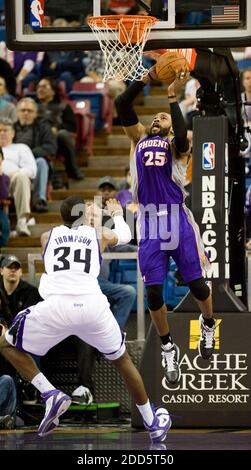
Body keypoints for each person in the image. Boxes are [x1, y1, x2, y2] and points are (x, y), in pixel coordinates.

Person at [0, 196, 171, 443]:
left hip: (56, 307)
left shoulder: (45, 237)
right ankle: (152, 421)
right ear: (82, 215)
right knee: (122, 360)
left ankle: (49, 393)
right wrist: (117, 215)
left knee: (6, 344)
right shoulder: (98, 235)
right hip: (92, 307)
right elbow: (124, 234)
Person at [115, 65, 216, 385]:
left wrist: (172, 96)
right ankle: (169, 347)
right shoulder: (138, 138)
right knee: (155, 292)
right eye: (155, 116)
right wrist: (144, 79)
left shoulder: (176, 147)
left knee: (197, 284)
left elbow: (185, 139)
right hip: (149, 220)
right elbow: (122, 105)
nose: (157, 118)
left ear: (172, 126)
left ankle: (209, 326)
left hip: (177, 217)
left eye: (164, 117)